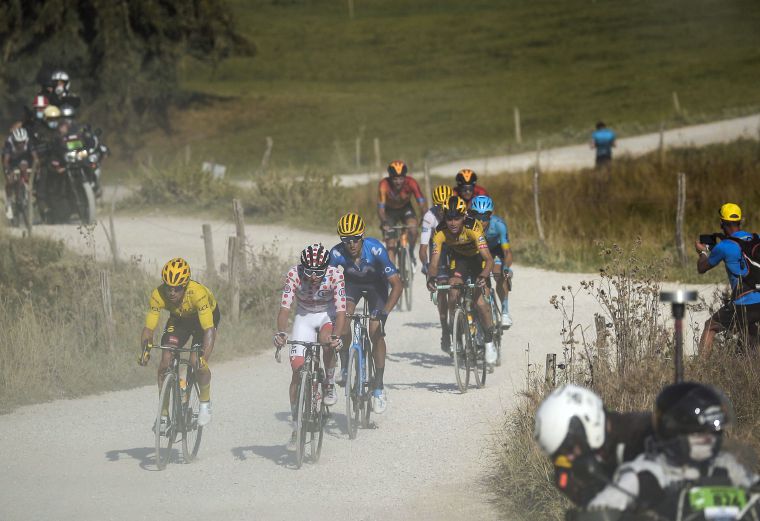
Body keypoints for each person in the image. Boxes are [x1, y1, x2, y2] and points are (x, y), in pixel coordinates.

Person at [585, 382, 756, 519]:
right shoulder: (647, 474)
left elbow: (754, 488)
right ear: (675, 431)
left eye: (713, 433)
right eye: (700, 434)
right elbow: (600, 510)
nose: (708, 440)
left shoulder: (723, 466)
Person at [273, 244, 346, 451]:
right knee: (297, 371)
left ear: (326, 268)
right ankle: (296, 427)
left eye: (318, 272)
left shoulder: (334, 275)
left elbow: (341, 312)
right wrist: (281, 332)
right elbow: (285, 308)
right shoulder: (294, 274)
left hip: (326, 315)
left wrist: (337, 337)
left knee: (327, 341)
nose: (313, 277)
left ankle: (329, 381)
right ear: (302, 267)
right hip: (303, 317)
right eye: (309, 272)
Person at [534, 384, 653, 508]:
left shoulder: (643, 431)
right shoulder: (581, 469)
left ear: (587, 422)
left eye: (568, 447)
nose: (568, 459)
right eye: (558, 456)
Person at [330, 212, 403, 414]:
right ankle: (345, 364)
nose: (351, 244)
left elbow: (397, 285)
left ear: (362, 236)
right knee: (342, 320)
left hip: (376, 287)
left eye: (354, 239)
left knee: (375, 332)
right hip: (351, 286)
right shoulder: (336, 254)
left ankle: (378, 387)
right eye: (346, 240)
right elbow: (327, 284)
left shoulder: (376, 250)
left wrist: (385, 312)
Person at [138, 258, 220, 429]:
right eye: (169, 287)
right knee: (165, 361)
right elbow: (149, 327)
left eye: (177, 288)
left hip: (202, 320)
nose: (172, 292)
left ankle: (205, 402)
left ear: (186, 285)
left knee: (195, 361)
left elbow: (209, 329)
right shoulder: (158, 295)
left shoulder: (197, 294)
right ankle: (164, 415)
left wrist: (204, 357)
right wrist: (145, 350)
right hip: (179, 319)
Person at [425, 195, 497, 363]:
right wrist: (431, 278)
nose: (453, 223)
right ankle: (456, 331)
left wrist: (483, 276)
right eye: (449, 218)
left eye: (457, 218)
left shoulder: (474, 227)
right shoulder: (440, 232)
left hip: (478, 259)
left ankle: (488, 342)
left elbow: (489, 260)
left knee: (480, 302)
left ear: (464, 216)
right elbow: (434, 262)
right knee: (452, 291)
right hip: (459, 260)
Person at [696, 203, 760, 357]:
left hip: (745, 303)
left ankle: (699, 371)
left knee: (710, 326)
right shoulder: (757, 238)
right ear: (740, 221)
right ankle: (749, 371)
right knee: (749, 336)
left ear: (721, 223)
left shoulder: (724, 246)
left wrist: (703, 252)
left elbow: (702, 268)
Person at [469, 195, 514, 329]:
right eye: (477, 216)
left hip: (495, 250)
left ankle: (505, 312)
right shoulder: (467, 226)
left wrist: (505, 268)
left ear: (491, 215)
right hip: (478, 252)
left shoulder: (499, 225)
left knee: (498, 273)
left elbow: (507, 252)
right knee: (483, 285)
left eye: (485, 216)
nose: (481, 221)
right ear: (471, 214)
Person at [419, 184, 454, 352]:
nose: (442, 210)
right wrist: (427, 269)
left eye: (444, 206)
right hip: (437, 251)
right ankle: (446, 330)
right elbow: (423, 248)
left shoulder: (458, 210)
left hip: (455, 249)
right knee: (442, 290)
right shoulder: (429, 216)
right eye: (439, 206)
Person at [377, 160, 428, 266]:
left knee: (413, 230)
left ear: (405, 177)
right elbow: (381, 208)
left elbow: (422, 203)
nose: (398, 182)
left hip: (406, 208)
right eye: (395, 179)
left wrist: (424, 217)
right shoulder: (384, 184)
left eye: (401, 178)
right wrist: (384, 222)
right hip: (389, 211)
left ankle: (410, 252)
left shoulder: (412, 182)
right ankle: (392, 271)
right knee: (390, 243)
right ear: (390, 178)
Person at [2, 127, 38, 220]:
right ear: (14, 141)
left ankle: (27, 193)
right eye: (18, 142)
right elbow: (6, 161)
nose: (20, 144)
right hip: (12, 161)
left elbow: (35, 158)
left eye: (22, 142)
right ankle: (9, 202)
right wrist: (8, 172)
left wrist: (36, 168)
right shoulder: (9, 144)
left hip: (25, 160)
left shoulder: (29, 142)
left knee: (26, 168)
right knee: (10, 181)